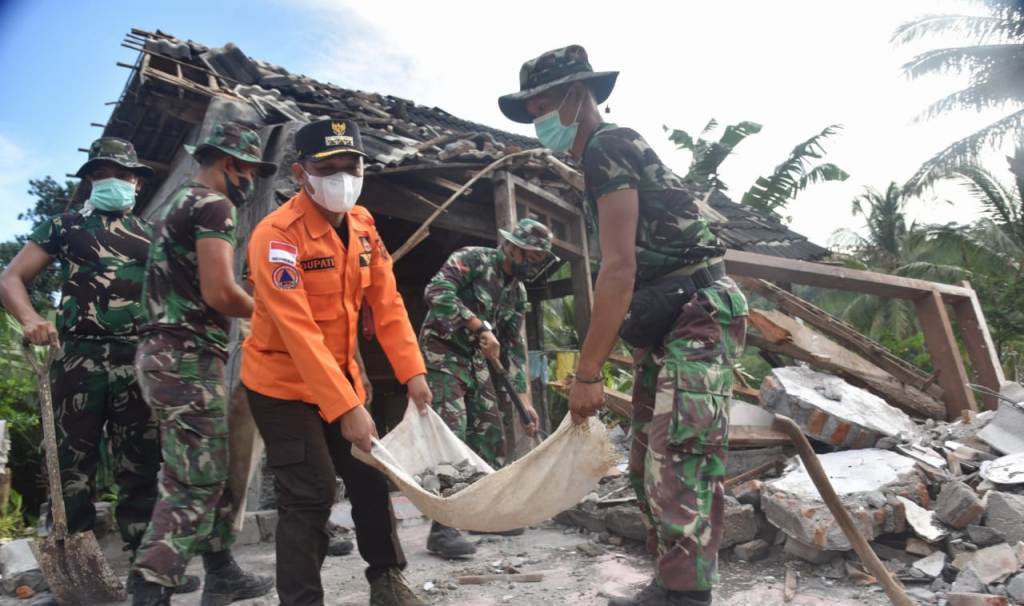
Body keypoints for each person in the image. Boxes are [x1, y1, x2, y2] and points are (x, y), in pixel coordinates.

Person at [500, 46, 749, 606]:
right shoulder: (596, 160)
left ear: (578, 95)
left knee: (680, 455)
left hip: (698, 313)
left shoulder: (608, 147)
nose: (537, 114)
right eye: (530, 104)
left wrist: (587, 372)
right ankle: (669, 582)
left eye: (543, 101)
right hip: (665, 315)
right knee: (645, 459)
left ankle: (688, 596)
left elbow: (616, 268)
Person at [241, 118, 430, 606]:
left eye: (353, 166)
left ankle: (387, 579)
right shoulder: (276, 236)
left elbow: (387, 304)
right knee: (311, 491)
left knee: (369, 473)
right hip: (281, 385)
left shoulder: (364, 226)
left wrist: (413, 373)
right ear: (301, 172)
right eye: (329, 167)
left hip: (342, 376)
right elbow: (296, 330)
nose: (343, 177)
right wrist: (347, 408)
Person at [0, 137, 201, 594]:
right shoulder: (64, 226)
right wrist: (31, 319)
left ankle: (146, 573)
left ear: (137, 181)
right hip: (77, 359)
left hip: (137, 361)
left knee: (141, 466)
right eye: (105, 171)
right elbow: (10, 278)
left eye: (125, 173)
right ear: (92, 178)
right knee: (70, 468)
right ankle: (73, 577)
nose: (117, 179)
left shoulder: (151, 235)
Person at [130, 122, 277, 606]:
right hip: (186, 358)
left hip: (166, 355)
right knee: (195, 479)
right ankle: (151, 586)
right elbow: (219, 292)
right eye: (250, 171)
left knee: (210, 467)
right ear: (232, 164)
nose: (250, 181)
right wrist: (273, 313)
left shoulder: (175, 202)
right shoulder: (215, 205)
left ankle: (221, 569)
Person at [417, 217, 552, 558]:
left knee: (490, 430)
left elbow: (513, 348)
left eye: (540, 258)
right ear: (513, 248)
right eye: (532, 256)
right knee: (453, 431)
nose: (535, 264)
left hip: (476, 361)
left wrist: (524, 402)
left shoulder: (517, 292)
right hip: (442, 353)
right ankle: (442, 528)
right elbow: (435, 290)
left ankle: (480, 514)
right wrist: (477, 326)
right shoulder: (473, 259)